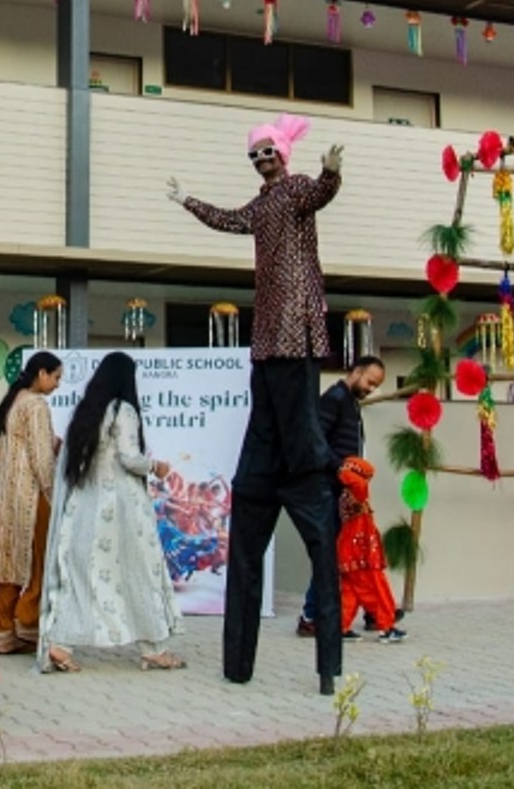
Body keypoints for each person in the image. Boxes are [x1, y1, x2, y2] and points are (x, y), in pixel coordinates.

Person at [169, 113, 345, 693]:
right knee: (268, 396)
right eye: (254, 155)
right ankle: (237, 665)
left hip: (296, 325)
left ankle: (303, 459)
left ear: (283, 154)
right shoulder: (262, 204)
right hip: (268, 336)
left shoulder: (297, 192)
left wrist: (330, 173)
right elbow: (229, 219)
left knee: (294, 403)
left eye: (267, 151)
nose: (261, 161)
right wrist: (188, 201)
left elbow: (321, 195)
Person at [36, 352, 183, 674]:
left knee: (81, 579)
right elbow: (129, 458)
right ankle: (154, 649)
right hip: (121, 510)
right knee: (139, 574)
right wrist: (155, 466)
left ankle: (60, 645)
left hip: (84, 508)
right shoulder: (123, 410)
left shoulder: (87, 412)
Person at [0, 351, 63, 654]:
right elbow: (41, 459)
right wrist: (54, 494)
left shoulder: (13, 401)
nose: (57, 384)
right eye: (56, 377)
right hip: (31, 496)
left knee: (7, 563)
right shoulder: (36, 405)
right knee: (38, 562)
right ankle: (27, 625)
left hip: (6, 496)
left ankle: (4, 631)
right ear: (42, 374)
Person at [299, 356, 387, 637]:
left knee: (353, 552)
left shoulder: (349, 402)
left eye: (375, 385)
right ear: (357, 372)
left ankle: (372, 612)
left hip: (346, 490)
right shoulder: (335, 398)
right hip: (331, 489)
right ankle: (311, 616)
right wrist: (341, 470)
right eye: (370, 381)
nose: (371, 388)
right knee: (332, 554)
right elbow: (317, 442)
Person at [333, 457, 402, 643]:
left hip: (350, 550)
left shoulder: (347, 495)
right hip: (360, 552)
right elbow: (358, 482)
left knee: (350, 591)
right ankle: (386, 627)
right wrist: (346, 470)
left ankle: (340, 627)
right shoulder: (357, 491)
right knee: (374, 589)